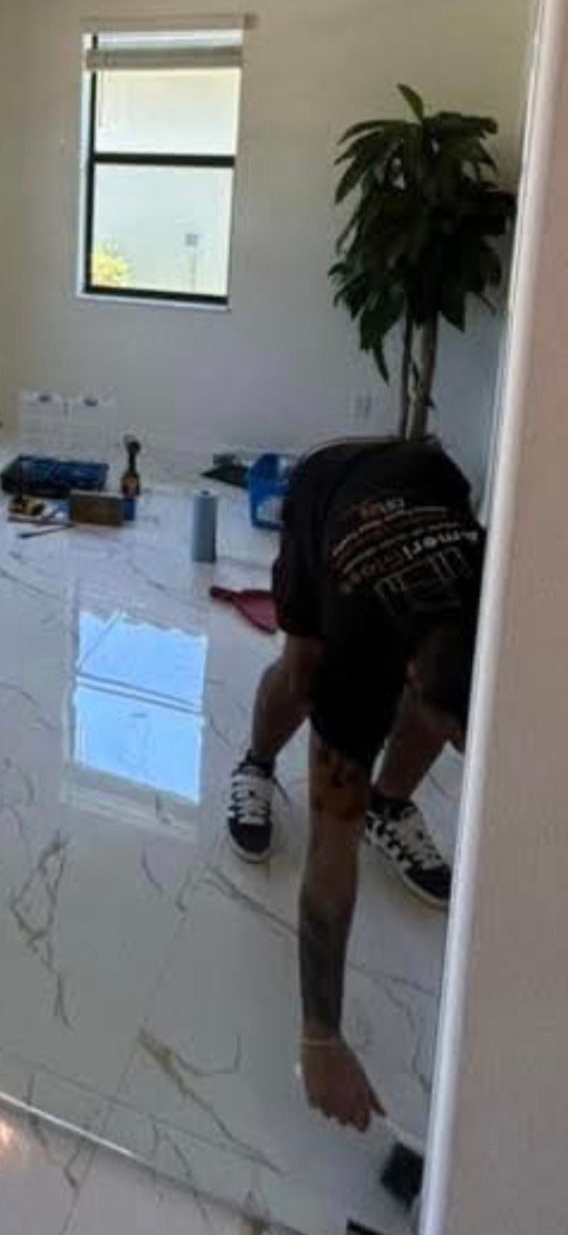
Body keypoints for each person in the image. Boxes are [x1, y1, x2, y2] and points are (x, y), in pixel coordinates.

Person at [226, 437, 483, 1131]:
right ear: (402, 677)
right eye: (455, 731)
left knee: (443, 702)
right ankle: (254, 763)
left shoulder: (501, 607)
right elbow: (328, 866)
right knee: (301, 669)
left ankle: (389, 807)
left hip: (425, 477)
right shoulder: (359, 665)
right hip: (326, 496)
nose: (464, 747)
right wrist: (321, 1033)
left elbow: (453, 694)